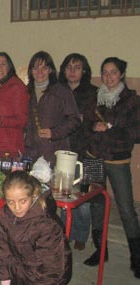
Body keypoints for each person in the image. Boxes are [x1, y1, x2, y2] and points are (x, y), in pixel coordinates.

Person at [84, 57, 140, 278]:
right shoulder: (94, 98)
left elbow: (136, 132)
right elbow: (85, 125)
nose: (108, 77)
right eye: (105, 72)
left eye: (113, 72)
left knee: (126, 208)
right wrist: (93, 126)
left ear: (122, 74)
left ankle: (136, 257)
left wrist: (110, 128)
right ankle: (101, 250)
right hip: (94, 157)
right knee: (96, 204)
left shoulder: (131, 100)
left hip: (118, 159)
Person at [58, 53, 97, 251]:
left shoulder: (93, 93)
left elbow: (98, 123)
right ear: (63, 70)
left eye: (77, 67)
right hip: (64, 151)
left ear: (84, 71)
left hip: (88, 152)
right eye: (69, 67)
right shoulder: (57, 90)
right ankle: (66, 233)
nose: (72, 71)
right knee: (64, 194)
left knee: (84, 199)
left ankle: (81, 235)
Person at [24, 51, 80, 165]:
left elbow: (75, 120)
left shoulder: (61, 91)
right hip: (31, 151)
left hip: (54, 151)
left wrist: (54, 133)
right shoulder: (26, 92)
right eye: (35, 68)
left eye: (44, 68)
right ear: (30, 71)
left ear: (50, 70)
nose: (39, 72)